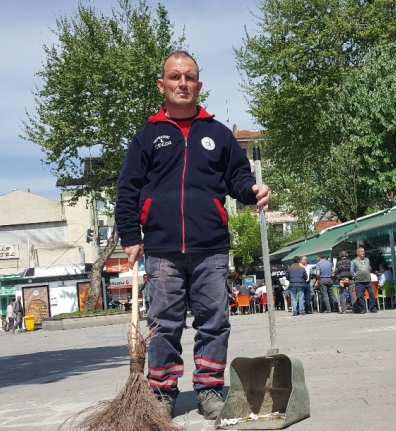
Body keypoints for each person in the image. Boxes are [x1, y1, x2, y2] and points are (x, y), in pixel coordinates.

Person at [114, 50, 270, 420]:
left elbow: (238, 178)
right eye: (174, 77)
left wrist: (251, 192)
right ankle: (163, 393)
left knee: (214, 321)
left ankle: (210, 390)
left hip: (211, 248)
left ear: (198, 85)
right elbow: (128, 190)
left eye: (189, 77)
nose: (182, 83)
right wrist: (130, 235)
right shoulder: (146, 136)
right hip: (162, 249)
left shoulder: (218, 134)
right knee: (163, 325)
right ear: (162, 84)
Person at [351, 247, 377, 314]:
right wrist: (355, 276)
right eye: (361, 251)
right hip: (359, 281)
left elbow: (369, 268)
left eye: (364, 251)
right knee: (360, 296)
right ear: (358, 253)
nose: (363, 252)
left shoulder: (367, 260)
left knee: (372, 294)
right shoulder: (354, 261)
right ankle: (362, 309)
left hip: (368, 280)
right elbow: (351, 271)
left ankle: (372, 308)